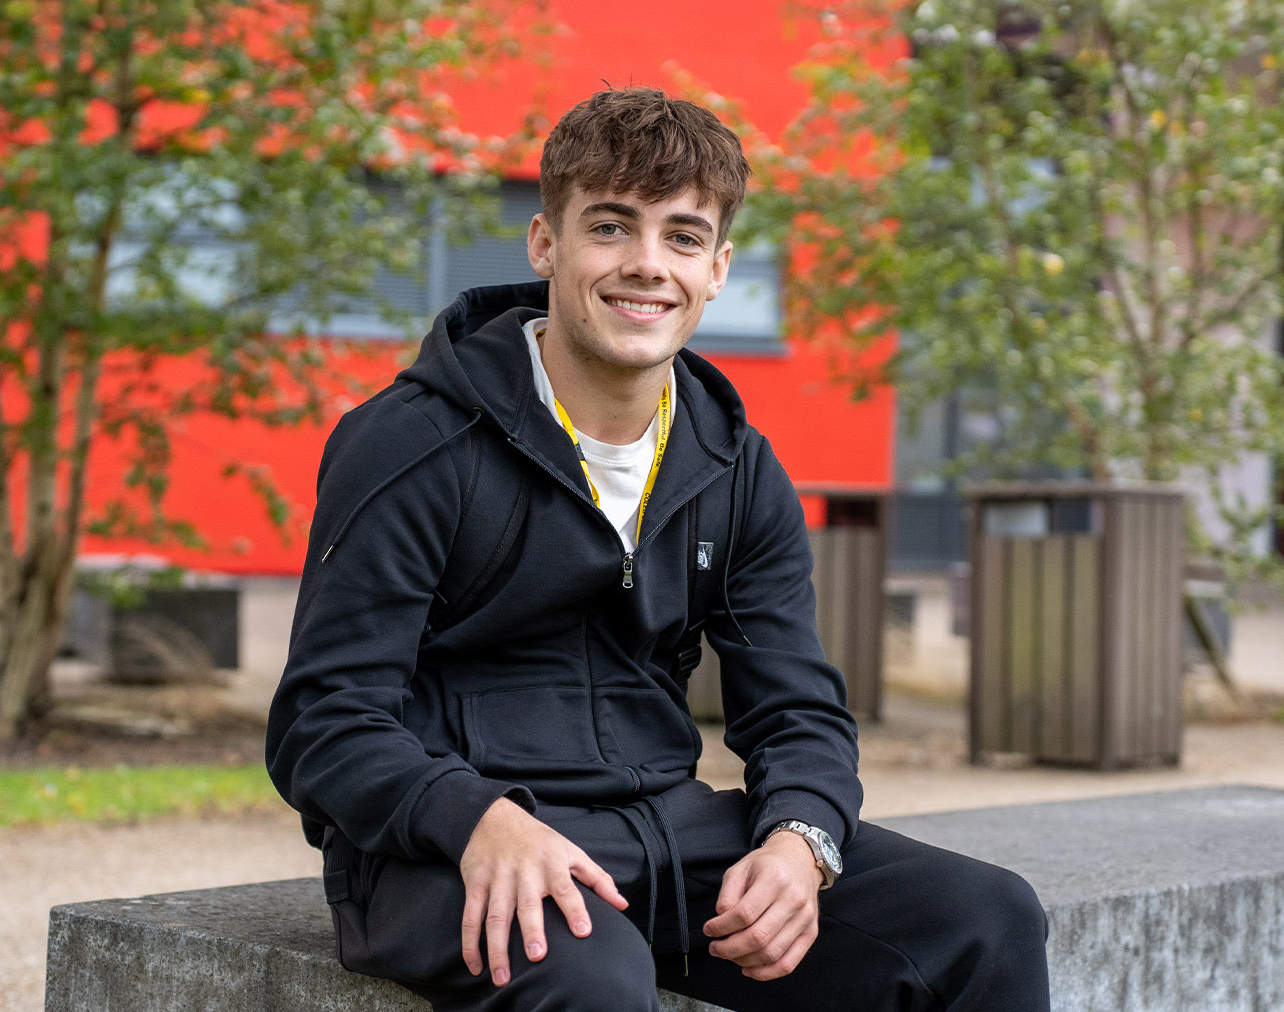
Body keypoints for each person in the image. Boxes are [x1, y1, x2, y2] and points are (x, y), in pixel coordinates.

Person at [266, 88, 1050, 1012]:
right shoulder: (410, 444)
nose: (647, 266)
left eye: (681, 237)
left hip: (663, 841)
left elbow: (798, 711)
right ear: (545, 244)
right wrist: (474, 818)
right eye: (610, 227)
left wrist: (801, 840)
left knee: (986, 917)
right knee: (590, 978)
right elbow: (323, 720)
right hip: (447, 853)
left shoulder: (734, 465)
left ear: (717, 268)